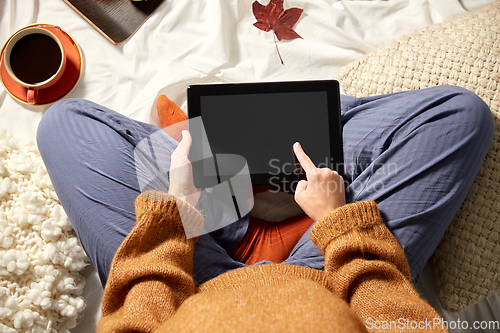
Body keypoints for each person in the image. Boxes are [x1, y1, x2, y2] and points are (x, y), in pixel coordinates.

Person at [37, 85, 493, 331]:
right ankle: (281, 156)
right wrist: (337, 224)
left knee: (64, 123)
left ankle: (241, 181)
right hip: (328, 282)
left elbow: (137, 314)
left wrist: (173, 216)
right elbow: (393, 316)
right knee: (458, 115)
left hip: (191, 285)